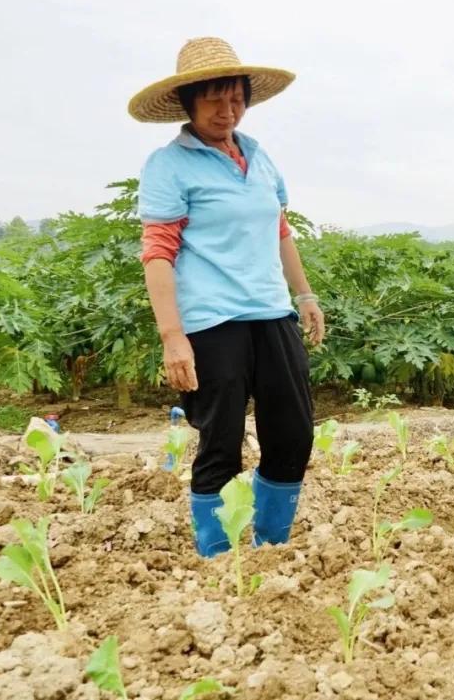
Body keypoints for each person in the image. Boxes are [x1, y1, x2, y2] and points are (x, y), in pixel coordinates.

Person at [129, 37, 324, 557]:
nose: (227, 110)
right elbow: (158, 253)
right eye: (214, 99)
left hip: (271, 312)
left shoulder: (259, 158)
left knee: (293, 435)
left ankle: (269, 542)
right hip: (212, 323)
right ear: (189, 103)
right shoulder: (169, 165)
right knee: (221, 443)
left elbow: (280, 230)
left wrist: (304, 295)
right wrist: (173, 337)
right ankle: (217, 555)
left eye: (235, 98)